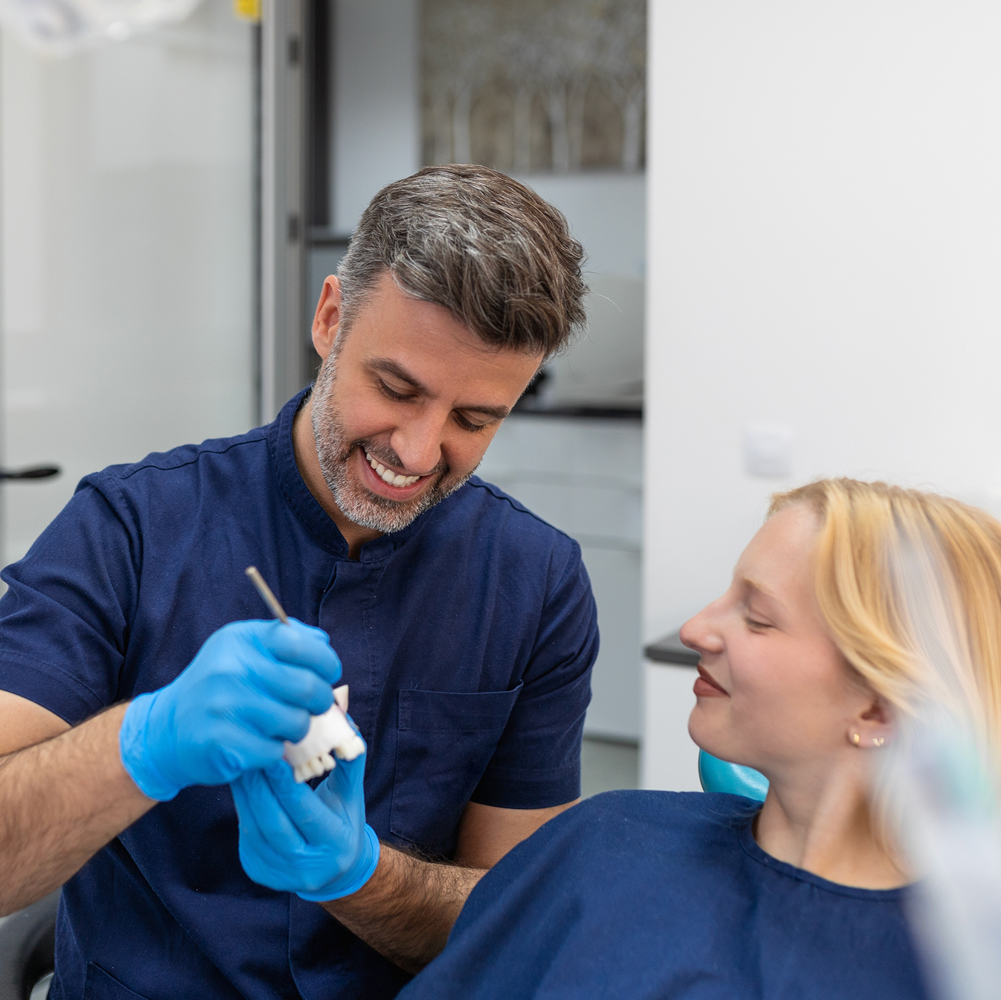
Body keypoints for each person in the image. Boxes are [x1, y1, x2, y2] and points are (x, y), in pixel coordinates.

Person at [0, 165, 598, 1000]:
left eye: (473, 419)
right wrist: (145, 741)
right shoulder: (130, 528)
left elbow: (518, 921)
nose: (419, 454)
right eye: (395, 388)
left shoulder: (535, 583)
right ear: (328, 319)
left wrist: (360, 878)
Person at [388, 478, 1001, 999]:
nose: (694, 628)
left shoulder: (959, 963)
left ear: (879, 711)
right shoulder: (606, 841)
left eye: (758, 619)